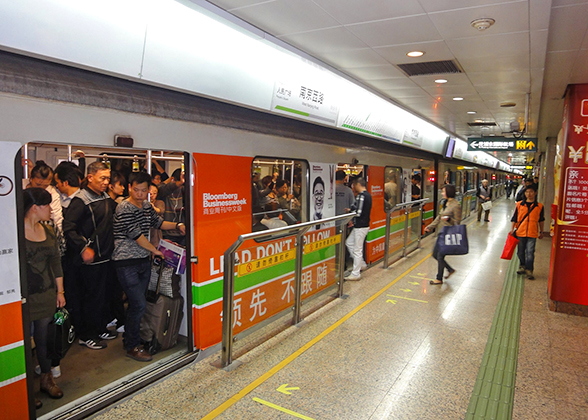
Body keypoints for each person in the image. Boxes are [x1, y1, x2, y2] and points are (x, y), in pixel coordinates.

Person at [112, 171, 185, 361]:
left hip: (143, 260)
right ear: (129, 188)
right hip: (126, 261)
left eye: (144, 190)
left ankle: (132, 338)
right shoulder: (123, 208)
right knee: (138, 303)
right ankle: (132, 346)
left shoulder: (146, 206)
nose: (140, 194)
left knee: (139, 303)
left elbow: (158, 223)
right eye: (136, 190)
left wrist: (178, 226)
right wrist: (155, 250)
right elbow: (136, 235)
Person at [63, 162, 116, 350]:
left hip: (106, 256)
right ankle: (87, 335)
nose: (106, 182)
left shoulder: (104, 196)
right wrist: (83, 247)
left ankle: (100, 328)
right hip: (90, 260)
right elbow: (68, 227)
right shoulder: (80, 200)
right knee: (90, 298)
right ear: (90, 177)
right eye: (102, 178)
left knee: (102, 296)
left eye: (108, 178)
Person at [23, 188, 66, 403]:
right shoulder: (13, 233)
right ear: (34, 208)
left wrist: (60, 291)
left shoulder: (49, 230)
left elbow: (55, 262)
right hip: (24, 297)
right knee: (22, 342)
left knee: (45, 339)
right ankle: (24, 389)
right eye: (47, 205)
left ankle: (46, 379)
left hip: (47, 294)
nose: (51, 209)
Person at [425, 184, 462, 285]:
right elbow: (439, 216)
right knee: (435, 255)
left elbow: (458, 222)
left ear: (449, 192)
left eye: (443, 191)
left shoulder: (456, 205)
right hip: (441, 233)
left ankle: (439, 278)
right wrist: (430, 226)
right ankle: (450, 269)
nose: (441, 193)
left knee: (440, 256)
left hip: (448, 234)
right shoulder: (446, 203)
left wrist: (449, 219)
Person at [510, 184, 544, 280]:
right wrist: (512, 229)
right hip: (520, 232)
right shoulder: (519, 205)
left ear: (535, 193)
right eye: (527, 192)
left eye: (531, 192)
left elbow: (541, 220)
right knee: (520, 252)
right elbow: (514, 218)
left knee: (530, 252)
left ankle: (529, 270)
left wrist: (541, 231)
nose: (529, 194)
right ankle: (523, 266)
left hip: (532, 233)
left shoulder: (539, 206)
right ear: (524, 193)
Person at [345, 177, 372, 281]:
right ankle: (362, 264)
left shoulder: (361, 196)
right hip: (363, 225)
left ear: (357, 184)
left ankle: (356, 273)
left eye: (354, 185)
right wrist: (351, 209)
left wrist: (351, 214)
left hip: (360, 226)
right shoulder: (368, 195)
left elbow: (358, 212)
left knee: (357, 249)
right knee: (349, 243)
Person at [157, 168, 186, 246]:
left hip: (183, 232)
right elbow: (162, 188)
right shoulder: (165, 192)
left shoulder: (184, 191)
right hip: (168, 233)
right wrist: (178, 182)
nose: (180, 187)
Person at [148, 184, 165, 248]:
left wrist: (152, 207)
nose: (151, 194)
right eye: (150, 192)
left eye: (154, 193)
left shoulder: (159, 202)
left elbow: (160, 210)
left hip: (155, 239)